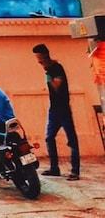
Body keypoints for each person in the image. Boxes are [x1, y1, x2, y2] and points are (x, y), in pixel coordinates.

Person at [32, 43, 80, 180]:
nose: (39, 62)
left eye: (40, 59)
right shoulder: (50, 69)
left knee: (72, 140)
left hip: (63, 109)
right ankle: (54, 168)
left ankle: (75, 171)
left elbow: (57, 86)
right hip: (53, 109)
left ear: (45, 56)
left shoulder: (56, 68)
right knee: (49, 138)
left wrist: (48, 75)